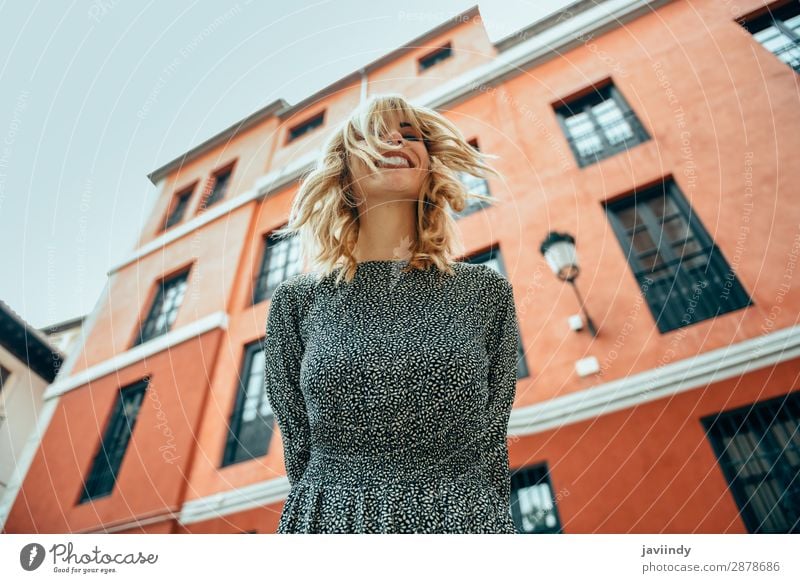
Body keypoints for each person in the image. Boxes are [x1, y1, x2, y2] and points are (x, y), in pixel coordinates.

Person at [263, 93, 521, 533]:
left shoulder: (486, 292)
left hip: (463, 521)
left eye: (409, 136)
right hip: (331, 522)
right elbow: (298, 446)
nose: (396, 143)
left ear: (429, 168)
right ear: (344, 172)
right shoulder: (296, 301)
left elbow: (491, 443)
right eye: (375, 135)